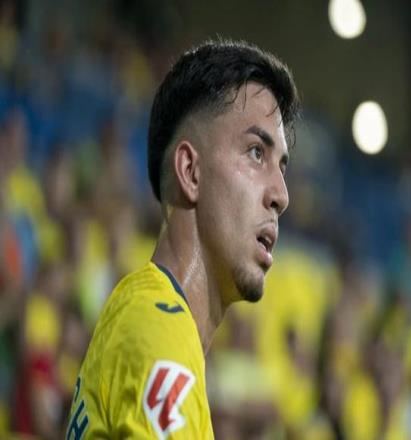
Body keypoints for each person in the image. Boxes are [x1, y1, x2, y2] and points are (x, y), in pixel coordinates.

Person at [66, 39, 300, 439]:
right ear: (190, 171)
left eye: (282, 166)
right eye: (256, 153)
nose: (282, 194)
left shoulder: (156, 324)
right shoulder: (160, 331)